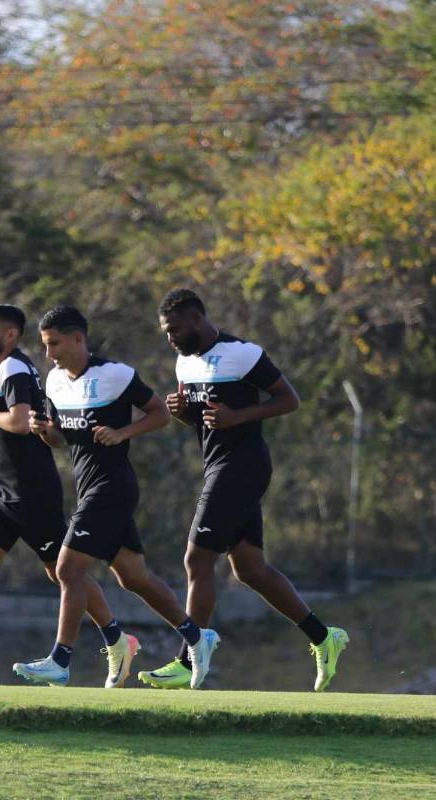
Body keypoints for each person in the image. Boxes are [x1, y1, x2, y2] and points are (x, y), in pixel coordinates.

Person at [137, 289, 348, 692]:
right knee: (249, 569)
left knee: (197, 559)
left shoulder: (242, 353)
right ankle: (324, 637)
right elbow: (207, 422)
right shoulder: (184, 361)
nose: (171, 338)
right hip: (217, 466)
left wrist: (240, 416)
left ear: (197, 318)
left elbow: (289, 400)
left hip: (244, 466)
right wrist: (186, 416)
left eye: (175, 329)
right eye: (166, 332)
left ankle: (189, 657)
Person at [13, 306, 219, 688]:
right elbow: (62, 439)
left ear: (78, 338)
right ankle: (196, 636)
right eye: (44, 345)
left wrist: (123, 434)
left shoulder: (114, 374)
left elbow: (158, 413)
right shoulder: (55, 382)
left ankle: (60, 660)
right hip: (88, 487)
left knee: (67, 569)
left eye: (54, 343)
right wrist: (45, 432)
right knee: (133, 577)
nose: (49, 353)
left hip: (113, 487)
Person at [0, 304, 129, 686]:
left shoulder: (15, 369)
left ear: (10, 335)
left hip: (30, 493)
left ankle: (118, 640)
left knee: (63, 573)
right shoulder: (5, 371)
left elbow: (20, 423)